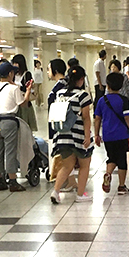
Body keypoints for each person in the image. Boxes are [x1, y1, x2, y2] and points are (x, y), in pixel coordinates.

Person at [50, 66, 94, 204]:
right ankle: (80, 194)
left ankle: (56, 191)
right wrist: (87, 136)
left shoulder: (60, 94)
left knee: (66, 166)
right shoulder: (83, 95)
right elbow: (86, 118)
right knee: (84, 165)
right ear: (81, 79)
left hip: (62, 135)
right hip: (78, 137)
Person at [0, 62, 33, 192]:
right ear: (10, 74)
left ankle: (0, 181)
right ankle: (12, 181)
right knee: (10, 151)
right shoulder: (14, 88)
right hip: (9, 121)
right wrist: (28, 91)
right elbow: (23, 104)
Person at [94, 72, 129, 195]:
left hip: (108, 135)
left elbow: (97, 119)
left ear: (107, 85)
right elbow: (128, 118)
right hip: (122, 135)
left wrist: (96, 135)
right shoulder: (124, 100)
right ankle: (121, 186)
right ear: (121, 86)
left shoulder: (102, 100)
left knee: (112, 157)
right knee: (122, 160)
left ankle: (108, 174)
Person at [11, 54, 38, 132]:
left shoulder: (27, 74)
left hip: (25, 102)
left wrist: (17, 86)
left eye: (16, 63)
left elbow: (28, 88)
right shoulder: (12, 74)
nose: (14, 65)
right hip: (15, 103)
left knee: (25, 125)